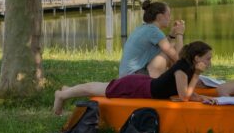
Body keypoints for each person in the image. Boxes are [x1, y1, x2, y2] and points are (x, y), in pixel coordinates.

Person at [53, 41, 214, 115]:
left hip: (145, 85)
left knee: (99, 87)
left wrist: (206, 98)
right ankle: (61, 95)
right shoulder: (182, 68)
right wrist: (198, 76)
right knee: (96, 89)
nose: (210, 62)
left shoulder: (188, 67)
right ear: (197, 58)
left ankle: (67, 90)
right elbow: (184, 96)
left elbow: (189, 93)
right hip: (137, 87)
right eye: (207, 58)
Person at [119, 0, 185, 78]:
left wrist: (172, 35)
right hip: (135, 78)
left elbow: (163, 45)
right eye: (168, 15)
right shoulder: (154, 31)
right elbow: (178, 58)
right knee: (169, 54)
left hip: (128, 76)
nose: (170, 18)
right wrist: (180, 34)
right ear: (159, 17)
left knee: (171, 47)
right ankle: (179, 81)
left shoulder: (144, 28)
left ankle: (176, 81)